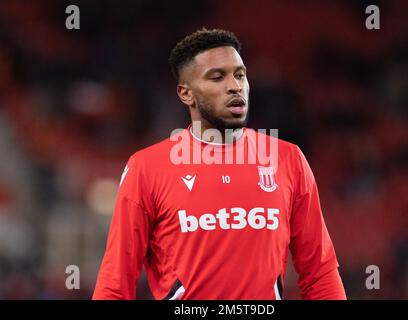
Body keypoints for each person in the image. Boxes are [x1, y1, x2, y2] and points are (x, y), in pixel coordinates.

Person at [93, 28, 346, 300]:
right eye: (217, 77)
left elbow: (320, 272)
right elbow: (115, 283)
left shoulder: (288, 160)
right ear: (186, 93)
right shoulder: (146, 168)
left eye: (240, 74)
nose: (235, 86)